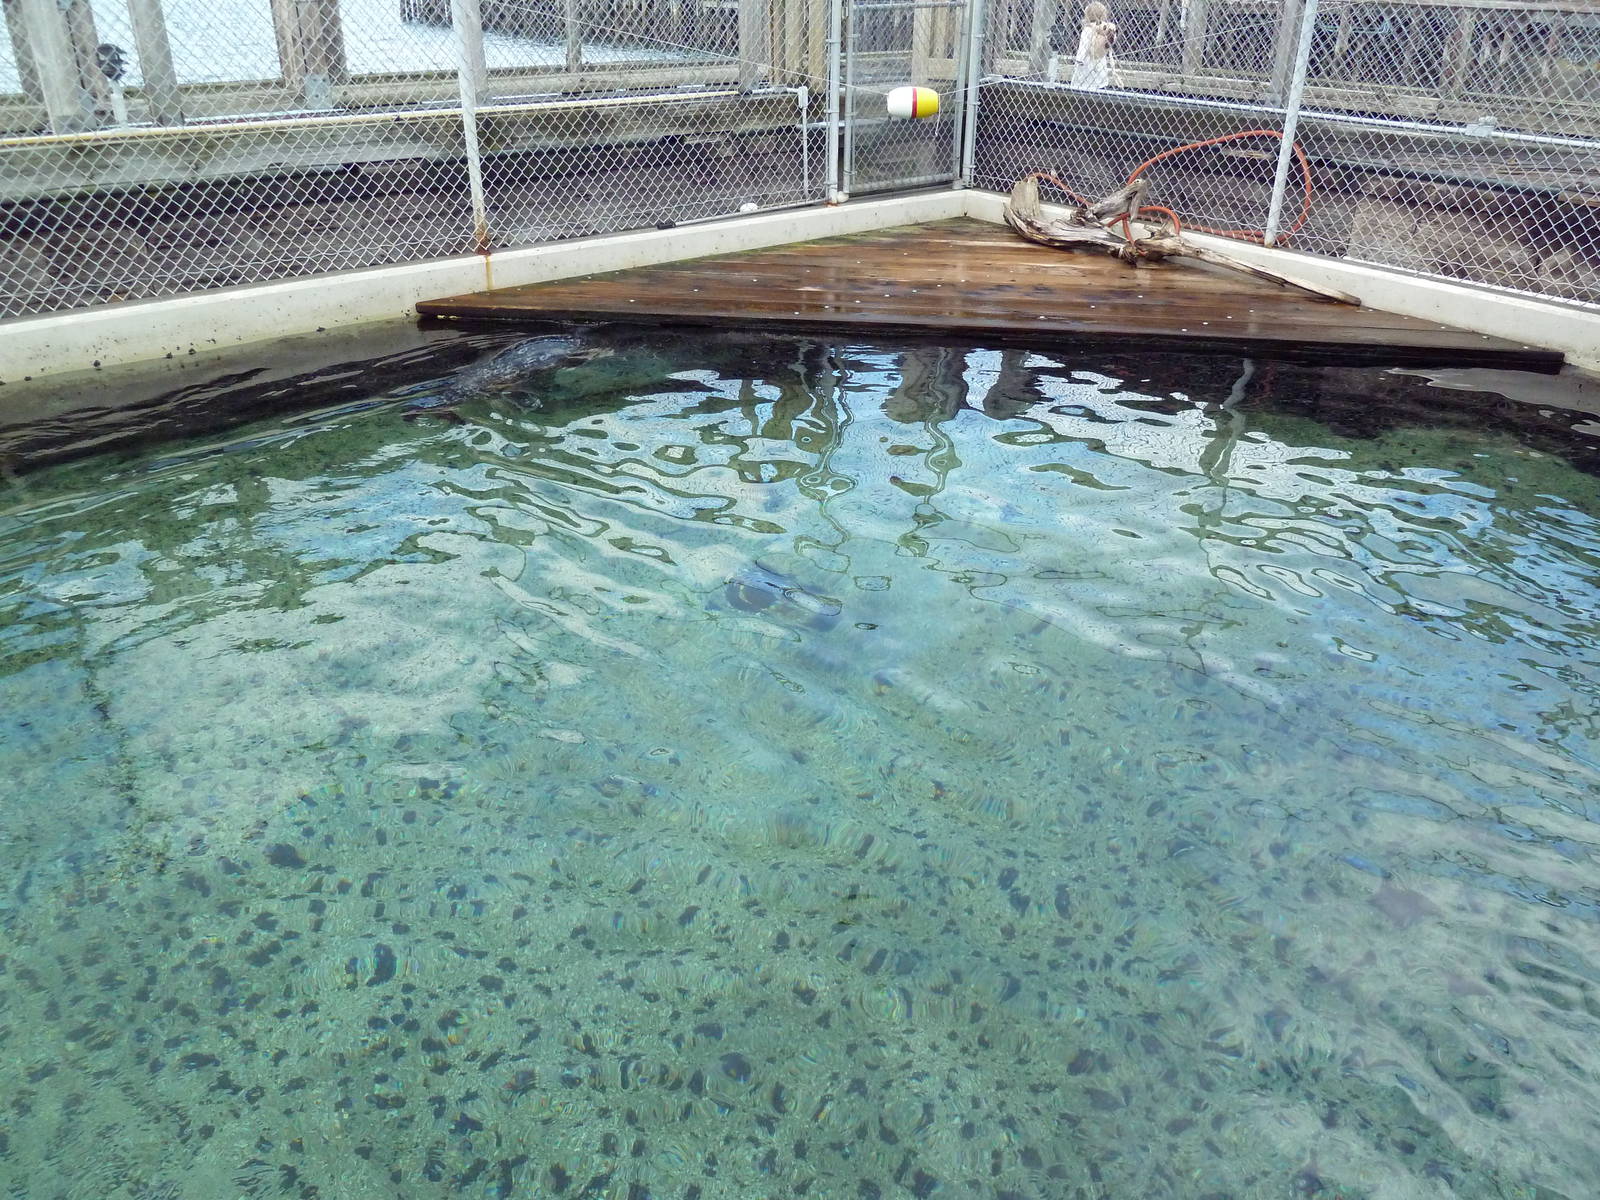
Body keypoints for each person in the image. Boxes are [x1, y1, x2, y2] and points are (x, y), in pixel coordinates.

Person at [1067, 2, 1119, 91]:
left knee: (1082, 86)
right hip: (1100, 68)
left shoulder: (1088, 29)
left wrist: (1079, 60)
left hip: (1086, 66)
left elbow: (1083, 48)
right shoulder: (1105, 30)